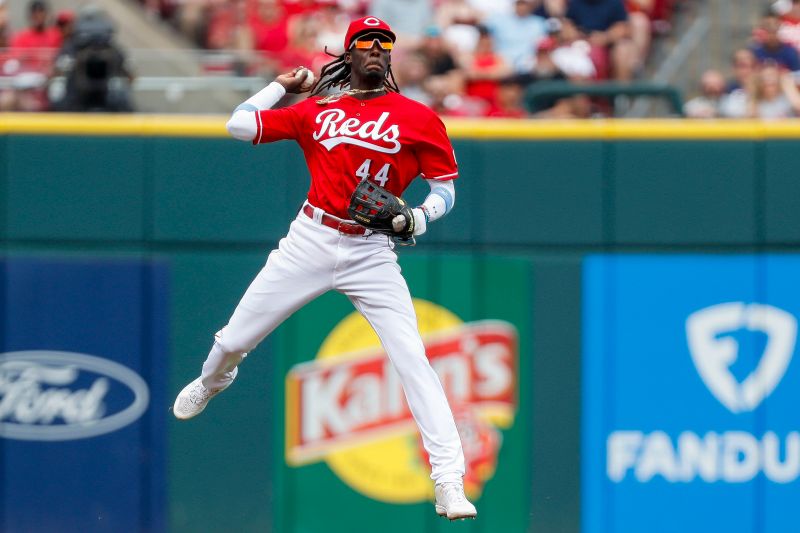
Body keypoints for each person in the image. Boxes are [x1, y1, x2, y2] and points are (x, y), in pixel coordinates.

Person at [172, 15, 478, 521]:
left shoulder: (418, 117)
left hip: (372, 251)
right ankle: (213, 381)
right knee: (230, 342)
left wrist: (418, 217)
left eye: (384, 42)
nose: (377, 48)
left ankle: (448, 480)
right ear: (350, 53)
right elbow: (239, 124)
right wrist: (279, 86)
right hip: (310, 240)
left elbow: (444, 190)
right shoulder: (317, 109)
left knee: (413, 362)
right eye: (366, 41)